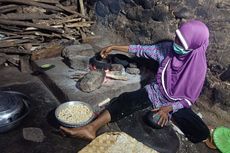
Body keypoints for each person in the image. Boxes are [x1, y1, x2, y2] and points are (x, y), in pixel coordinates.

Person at [60, 20, 215, 147]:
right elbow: (141, 49)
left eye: (181, 42)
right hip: (156, 91)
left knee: (198, 131)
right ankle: (90, 128)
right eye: (177, 37)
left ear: (193, 46)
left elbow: (189, 99)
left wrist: (169, 108)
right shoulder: (168, 49)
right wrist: (114, 47)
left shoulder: (198, 67)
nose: (176, 43)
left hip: (176, 103)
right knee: (126, 99)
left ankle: (203, 132)